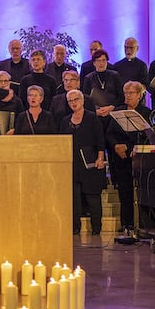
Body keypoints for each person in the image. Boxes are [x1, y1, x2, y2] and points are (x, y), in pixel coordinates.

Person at [106, 81, 151, 232]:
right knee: (124, 191)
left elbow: (147, 135)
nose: (128, 96)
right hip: (121, 157)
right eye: (126, 93)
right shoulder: (119, 111)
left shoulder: (145, 112)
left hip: (139, 157)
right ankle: (126, 223)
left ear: (139, 95)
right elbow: (109, 133)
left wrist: (130, 147)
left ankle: (143, 223)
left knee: (142, 190)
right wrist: (116, 146)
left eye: (131, 93)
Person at [59, 90, 106, 235]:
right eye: (70, 101)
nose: (73, 103)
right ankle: (75, 228)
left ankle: (96, 228)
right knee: (74, 197)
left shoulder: (92, 117)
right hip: (72, 162)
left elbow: (100, 139)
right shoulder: (65, 120)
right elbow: (62, 142)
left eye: (76, 100)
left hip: (90, 162)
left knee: (93, 196)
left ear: (82, 100)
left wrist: (100, 158)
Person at [81, 49, 124, 123]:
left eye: (104, 60)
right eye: (98, 61)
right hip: (96, 113)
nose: (101, 63)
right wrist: (95, 110)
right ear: (94, 63)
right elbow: (85, 98)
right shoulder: (88, 78)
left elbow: (121, 96)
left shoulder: (115, 75)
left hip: (113, 112)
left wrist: (111, 107)